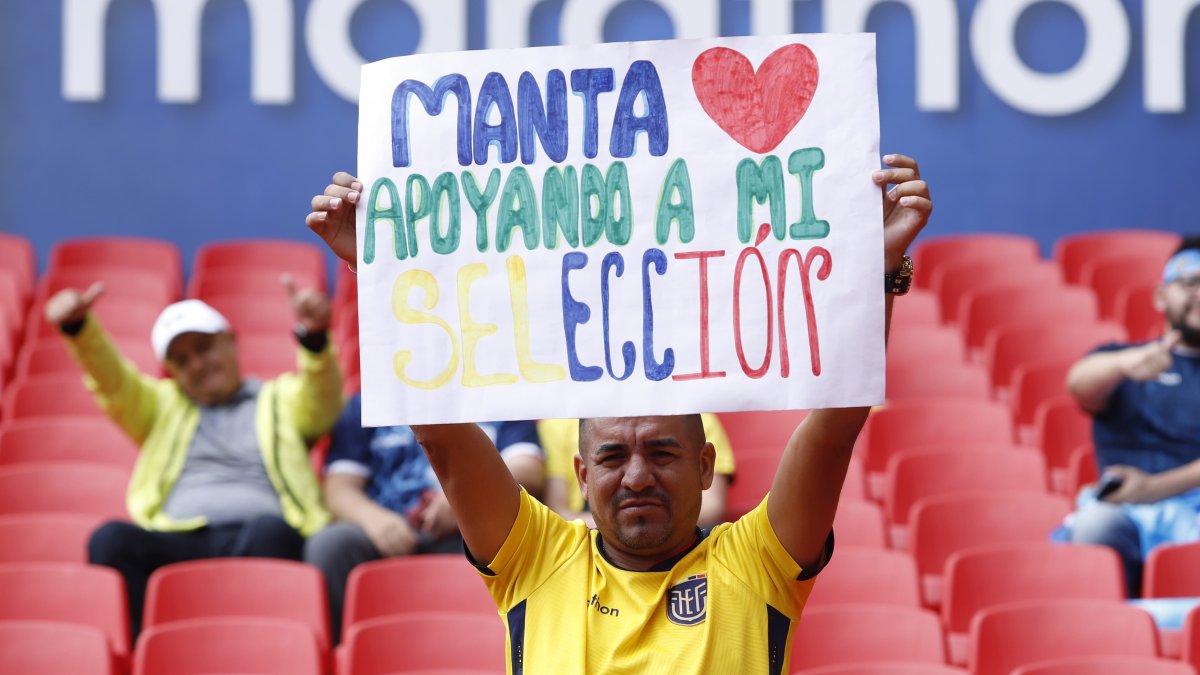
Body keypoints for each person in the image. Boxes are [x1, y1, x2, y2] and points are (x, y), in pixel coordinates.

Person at [305, 154, 930, 672]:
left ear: (708, 465)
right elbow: (439, 433)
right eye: (611, 456)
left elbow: (833, 428)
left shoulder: (759, 560)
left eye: (662, 452)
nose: (636, 476)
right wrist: (378, 265)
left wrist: (876, 271)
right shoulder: (536, 556)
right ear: (579, 475)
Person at [44, 279, 342, 635]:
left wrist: (314, 342)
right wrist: (80, 331)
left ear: (231, 340)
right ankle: (153, 656)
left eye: (204, 348)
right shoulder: (160, 407)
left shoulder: (280, 398)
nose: (198, 365)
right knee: (110, 539)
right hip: (176, 539)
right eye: (182, 360)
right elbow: (112, 382)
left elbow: (322, 404)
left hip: (256, 537)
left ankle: (266, 647)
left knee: (272, 530)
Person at [304, 390, 545, 641]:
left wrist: (465, 497)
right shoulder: (370, 401)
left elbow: (529, 469)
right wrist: (375, 520)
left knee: (517, 549)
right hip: (386, 531)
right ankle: (346, 653)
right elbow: (339, 488)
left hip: (471, 533)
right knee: (331, 545)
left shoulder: (495, 396)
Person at [1064, 236, 1200, 597]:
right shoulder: (1121, 358)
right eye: (1190, 283)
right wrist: (1126, 365)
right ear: (1160, 296)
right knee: (1094, 523)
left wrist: (1155, 489)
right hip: (1123, 515)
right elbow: (1079, 385)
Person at [539, 415, 735, 528]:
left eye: (661, 454)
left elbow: (712, 508)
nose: (636, 480)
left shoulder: (695, 418)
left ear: (704, 466)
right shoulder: (556, 426)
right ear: (583, 476)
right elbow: (558, 512)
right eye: (612, 458)